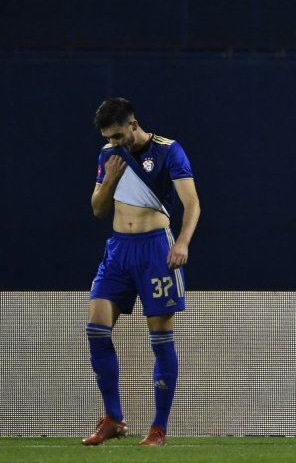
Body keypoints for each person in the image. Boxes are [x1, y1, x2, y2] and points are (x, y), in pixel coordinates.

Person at [82, 98, 200, 447]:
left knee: (160, 339)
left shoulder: (169, 151)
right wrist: (110, 180)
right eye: (109, 137)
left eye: (119, 135)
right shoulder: (109, 156)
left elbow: (192, 202)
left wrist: (182, 242)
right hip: (118, 251)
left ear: (133, 124)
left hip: (155, 251)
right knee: (95, 329)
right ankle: (114, 418)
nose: (114, 143)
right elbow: (97, 209)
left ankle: (158, 429)